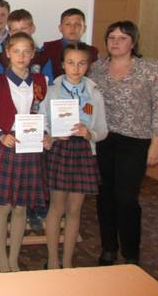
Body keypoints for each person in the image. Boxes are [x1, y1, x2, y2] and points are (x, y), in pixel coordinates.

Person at [89, 20, 158, 266]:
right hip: (104, 140)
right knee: (105, 196)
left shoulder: (149, 68)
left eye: (122, 38)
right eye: (111, 37)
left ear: (133, 42)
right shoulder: (96, 68)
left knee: (126, 198)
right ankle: (109, 249)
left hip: (136, 141)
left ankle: (131, 253)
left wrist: (157, 143)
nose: (115, 42)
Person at [40, 43, 108, 269]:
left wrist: (90, 133)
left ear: (88, 66)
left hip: (83, 152)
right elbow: (43, 121)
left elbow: (102, 129)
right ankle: (53, 260)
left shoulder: (94, 93)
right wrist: (50, 135)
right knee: (56, 208)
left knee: (74, 210)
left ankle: (68, 262)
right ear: (62, 64)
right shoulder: (52, 90)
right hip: (60, 150)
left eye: (81, 63)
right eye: (70, 63)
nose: (76, 68)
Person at [0, 32, 48, 273]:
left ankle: (14, 258)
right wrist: (1, 135)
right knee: (4, 206)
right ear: (8, 53)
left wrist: (47, 134)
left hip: (31, 148)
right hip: (7, 146)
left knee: (22, 207)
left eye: (26, 51)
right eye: (16, 51)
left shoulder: (41, 81)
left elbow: (45, 116)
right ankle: (2, 256)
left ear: (33, 55)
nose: (21, 56)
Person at [0, 9, 53, 80]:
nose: (20, 33)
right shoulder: (2, 58)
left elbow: (48, 83)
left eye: (23, 28)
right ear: (10, 32)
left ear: (33, 28)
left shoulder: (43, 57)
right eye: (15, 30)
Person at [42, 8, 98, 79]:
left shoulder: (92, 52)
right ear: (60, 28)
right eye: (68, 24)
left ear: (84, 28)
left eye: (77, 24)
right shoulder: (48, 48)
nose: (72, 28)